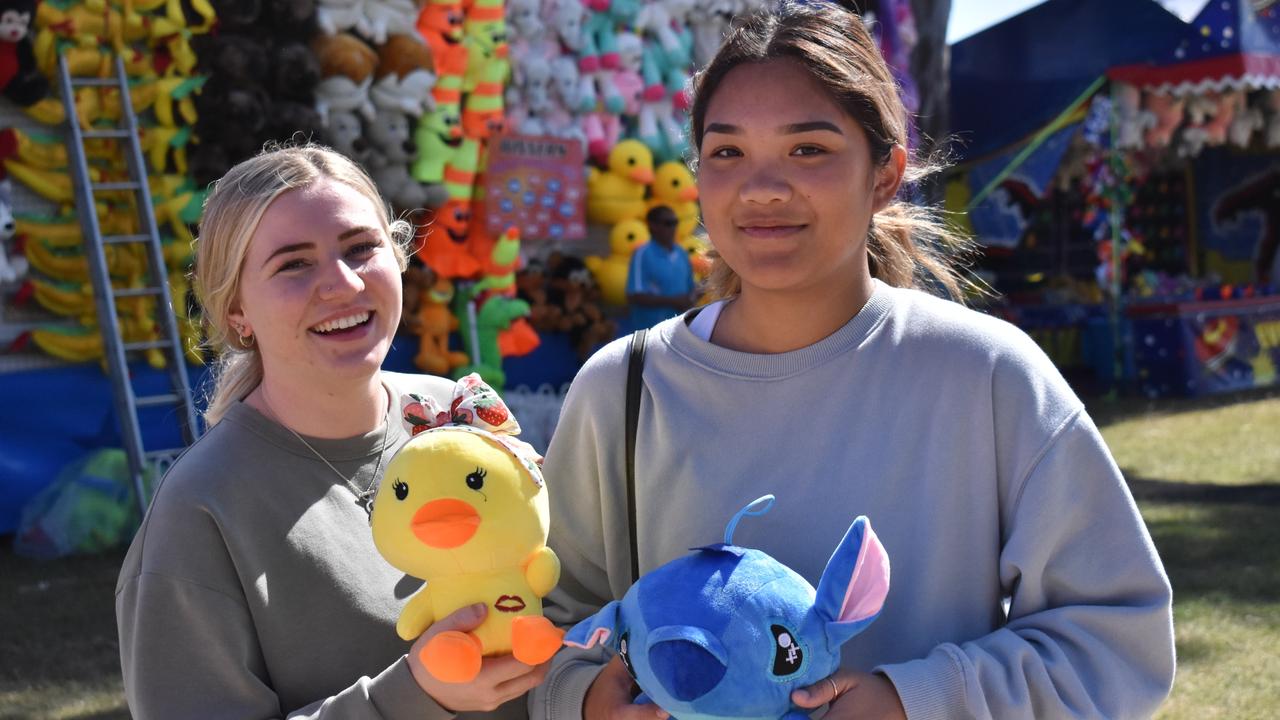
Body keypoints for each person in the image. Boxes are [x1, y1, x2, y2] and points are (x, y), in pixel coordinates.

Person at [530, 2, 1176, 719]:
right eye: (727, 152)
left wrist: (915, 701)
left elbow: (1119, 640)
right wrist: (585, 697)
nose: (762, 186)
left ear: (885, 173)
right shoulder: (622, 388)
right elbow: (548, 622)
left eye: (808, 149)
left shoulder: (987, 376)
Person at [116, 144, 546, 719]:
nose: (342, 284)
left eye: (361, 248)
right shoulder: (200, 510)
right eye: (294, 263)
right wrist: (413, 698)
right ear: (236, 309)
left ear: (397, 258)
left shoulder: (452, 414)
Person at [625, 205, 697, 330]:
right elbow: (634, 295)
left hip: (679, 331)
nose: (673, 228)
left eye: (675, 223)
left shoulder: (681, 253)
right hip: (650, 332)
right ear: (653, 226)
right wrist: (673, 301)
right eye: (668, 223)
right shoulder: (642, 254)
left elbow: (690, 288)